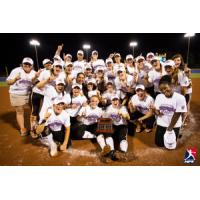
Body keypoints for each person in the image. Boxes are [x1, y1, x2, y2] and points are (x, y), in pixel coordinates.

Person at [153, 75, 187, 148]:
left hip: (174, 124)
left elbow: (177, 114)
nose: (164, 91)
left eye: (165, 88)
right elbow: (157, 112)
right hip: (162, 122)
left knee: (170, 145)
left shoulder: (180, 98)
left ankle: (179, 130)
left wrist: (170, 128)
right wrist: (155, 111)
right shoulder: (159, 97)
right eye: (161, 90)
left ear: (171, 86)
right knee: (159, 143)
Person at [6, 57, 37, 136]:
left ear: (32, 66)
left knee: (33, 111)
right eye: (25, 64)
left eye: (29, 64)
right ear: (22, 64)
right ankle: (22, 128)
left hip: (29, 93)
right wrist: (15, 79)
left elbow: (35, 83)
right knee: (20, 111)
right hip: (16, 93)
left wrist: (36, 78)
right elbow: (8, 82)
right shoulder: (16, 71)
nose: (27, 65)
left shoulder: (34, 73)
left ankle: (33, 128)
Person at [30, 58, 53, 138]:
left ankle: (42, 127)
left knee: (43, 110)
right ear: (44, 65)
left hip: (45, 94)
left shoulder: (53, 70)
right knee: (35, 111)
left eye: (50, 63)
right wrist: (40, 86)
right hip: (37, 92)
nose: (49, 64)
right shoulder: (42, 71)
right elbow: (35, 81)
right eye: (47, 63)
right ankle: (32, 129)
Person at [105, 95, 130, 160]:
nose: (115, 101)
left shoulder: (123, 107)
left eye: (116, 100)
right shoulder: (108, 108)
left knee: (122, 138)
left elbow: (128, 117)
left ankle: (123, 152)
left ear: (119, 101)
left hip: (122, 125)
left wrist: (123, 114)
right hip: (112, 125)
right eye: (113, 100)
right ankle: (112, 152)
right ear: (111, 101)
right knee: (107, 134)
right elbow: (105, 118)